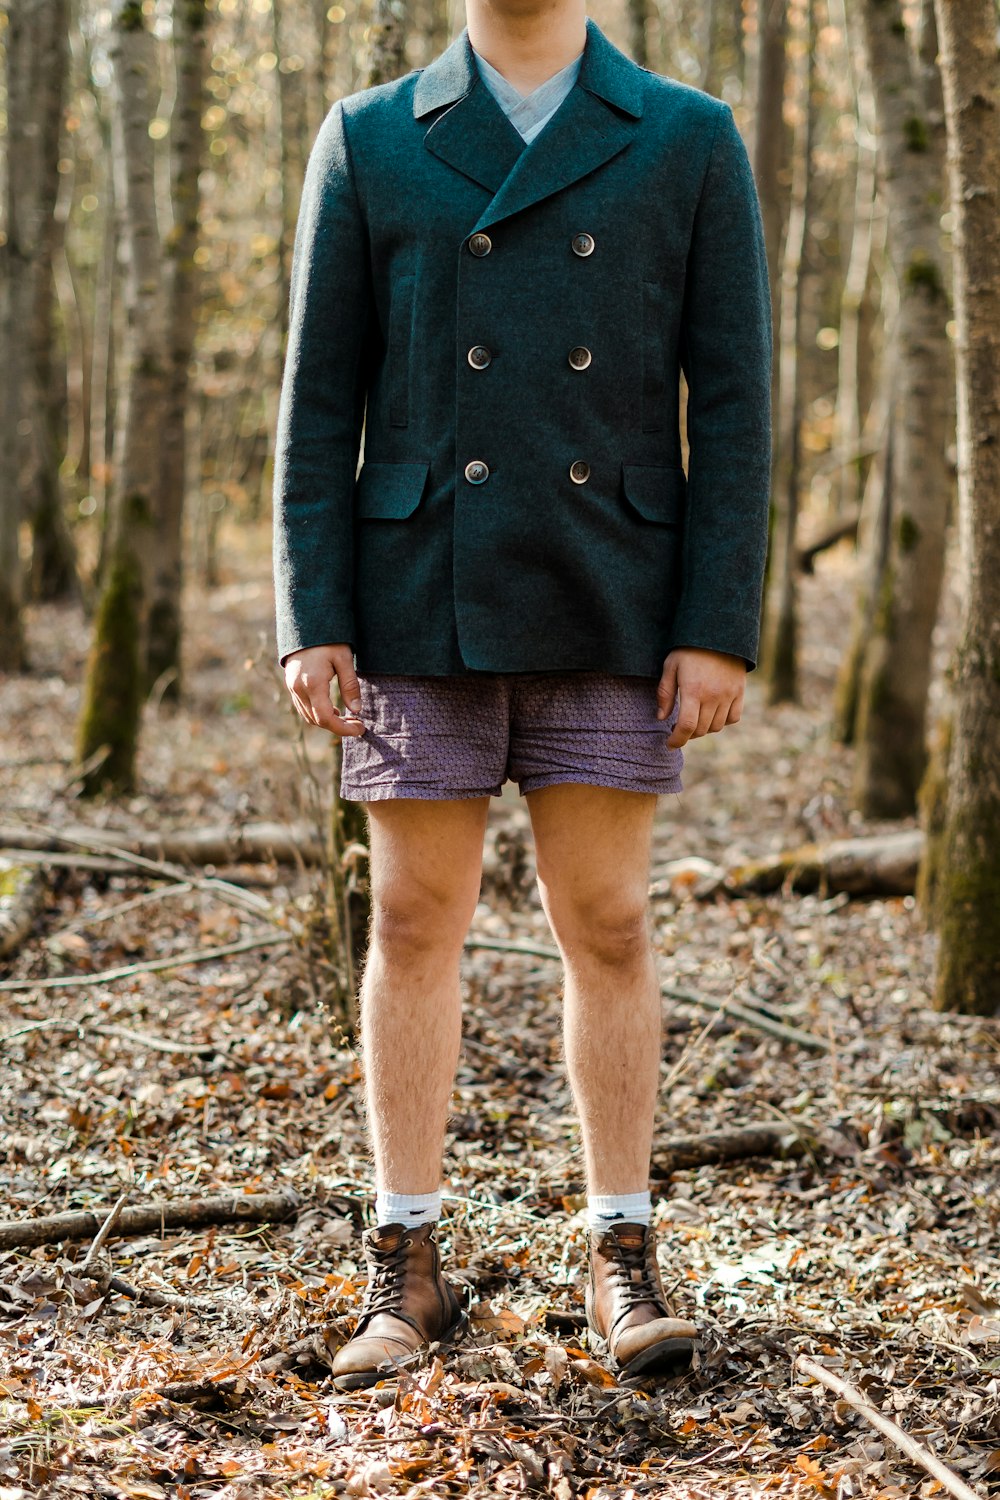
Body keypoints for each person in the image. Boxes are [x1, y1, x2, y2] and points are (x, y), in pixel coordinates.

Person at [272, 0, 771, 1391]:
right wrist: (312, 614)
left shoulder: (688, 137)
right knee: (417, 915)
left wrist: (717, 623)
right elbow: (320, 400)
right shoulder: (371, 137)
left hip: (611, 591)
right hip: (414, 592)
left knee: (605, 920)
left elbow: (732, 398)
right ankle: (407, 1258)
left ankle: (621, 1248)